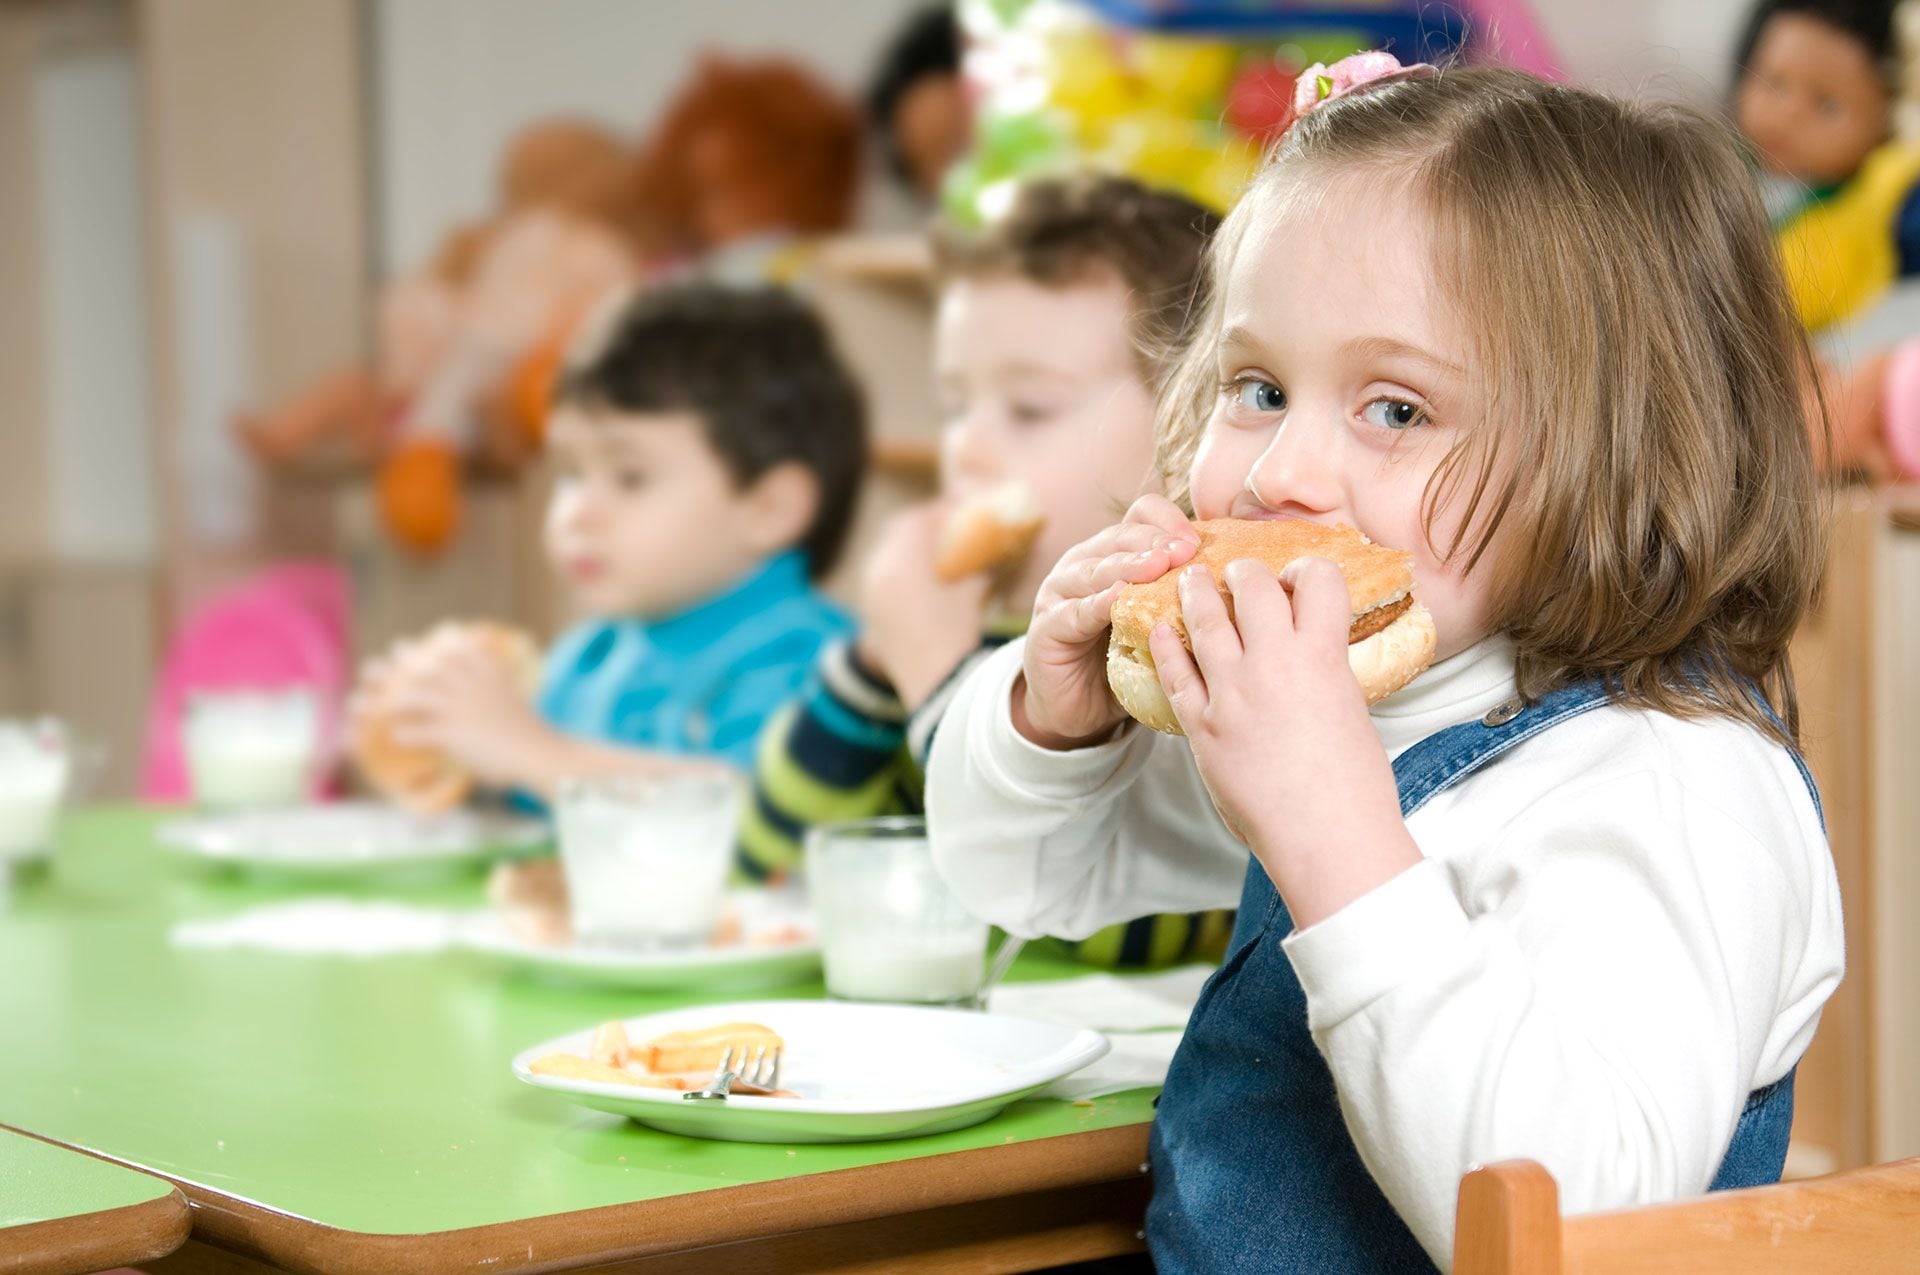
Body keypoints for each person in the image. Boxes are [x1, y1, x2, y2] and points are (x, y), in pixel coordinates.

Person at [926, 56, 1844, 1270]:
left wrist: (1330, 829)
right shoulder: (1357, 697)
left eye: (1396, 409)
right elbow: (1024, 879)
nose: (1281, 473)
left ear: (1619, 453)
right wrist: (1060, 727)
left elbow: (1577, 1226)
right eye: (1258, 388)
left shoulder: (1671, 782)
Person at [739, 174, 1233, 968]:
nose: (964, 449)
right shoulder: (972, 635)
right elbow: (770, 868)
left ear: (1192, 430)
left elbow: (1128, 931)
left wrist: (938, 677)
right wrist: (876, 668)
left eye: (1029, 408)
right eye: (956, 406)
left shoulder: (1190, 662)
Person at [367, 282, 864, 799]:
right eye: (569, 473)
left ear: (768, 509)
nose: (577, 513)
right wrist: (436, 737)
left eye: (630, 477)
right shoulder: (585, 660)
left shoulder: (815, 664)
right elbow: (531, 804)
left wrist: (533, 752)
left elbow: (758, 817)